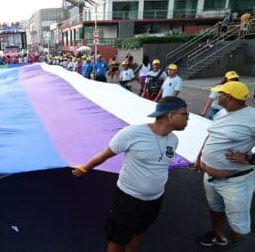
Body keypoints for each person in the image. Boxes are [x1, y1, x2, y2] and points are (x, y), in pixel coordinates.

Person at [72, 96, 189, 252]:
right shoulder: (132, 133)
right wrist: (85, 168)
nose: (188, 118)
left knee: (139, 230)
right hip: (128, 199)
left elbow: (160, 163)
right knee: (117, 236)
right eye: (185, 114)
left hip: (155, 200)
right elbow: (104, 155)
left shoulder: (174, 140)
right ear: (171, 115)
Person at [194, 81, 255, 248]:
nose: (215, 96)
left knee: (239, 225)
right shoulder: (222, 113)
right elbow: (211, 135)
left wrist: (249, 158)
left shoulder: (252, 117)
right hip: (210, 176)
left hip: (236, 182)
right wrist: (200, 156)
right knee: (215, 208)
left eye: (219, 94)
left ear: (228, 97)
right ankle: (219, 237)